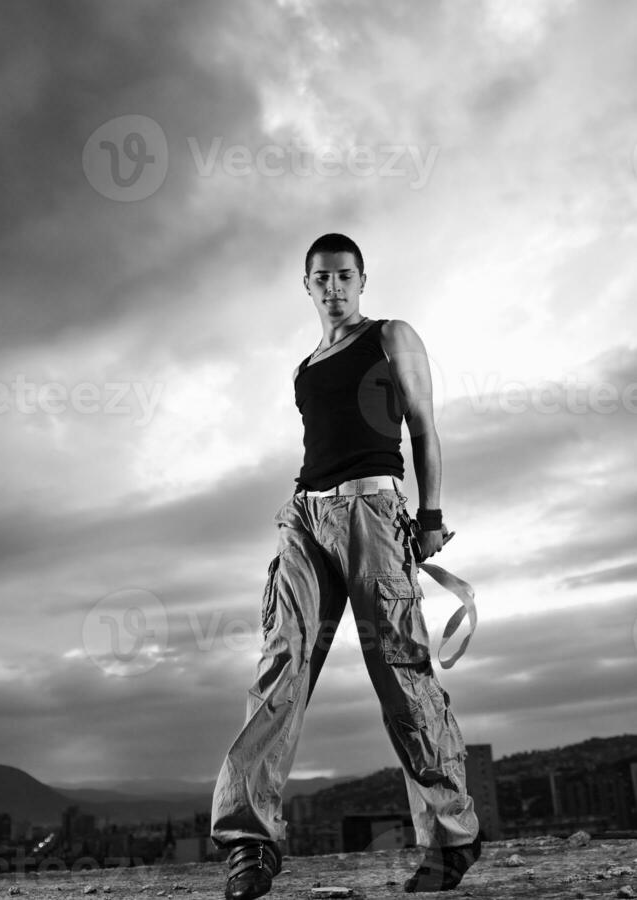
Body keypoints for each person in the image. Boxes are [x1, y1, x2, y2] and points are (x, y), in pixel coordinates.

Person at [210, 233, 481, 898]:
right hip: (304, 516)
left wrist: (431, 514)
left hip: (372, 512)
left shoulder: (390, 336)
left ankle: (451, 836)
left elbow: (421, 426)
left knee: (400, 669)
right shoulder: (304, 368)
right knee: (280, 664)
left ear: (361, 280)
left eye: (343, 276)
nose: (332, 288)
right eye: (320, 279)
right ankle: (249, 841)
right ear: (306, 287)